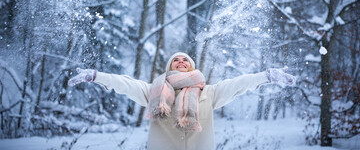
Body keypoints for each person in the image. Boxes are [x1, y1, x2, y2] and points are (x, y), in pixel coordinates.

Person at [68, 52, 296, 150]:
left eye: (184, 60)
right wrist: (96, 76)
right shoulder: (153, 92)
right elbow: (124, 84)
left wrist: (266, 76)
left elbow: (238, 84)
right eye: (175, 60)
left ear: (192, 66)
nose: (180, 61)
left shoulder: (209, 92)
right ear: (169, 66)